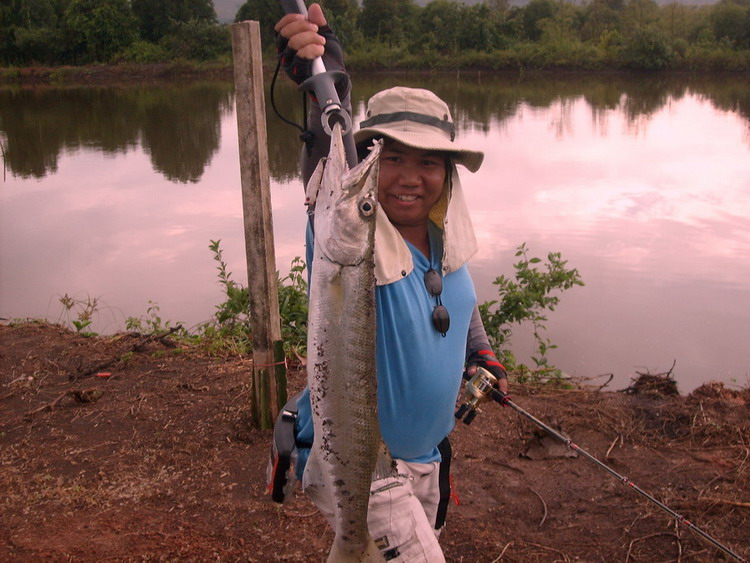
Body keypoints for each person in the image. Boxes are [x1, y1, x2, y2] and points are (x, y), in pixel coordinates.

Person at [274, 4, 508, 561]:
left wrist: (480, 352)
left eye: (429, 162)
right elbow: (326, 164)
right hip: (362, 462)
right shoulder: (346, 235)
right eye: (392, 157)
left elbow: (459, 299)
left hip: (426, 456)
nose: (409, 176)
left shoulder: (443, 238)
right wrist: (322, 88)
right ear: (370, 163)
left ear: (447, 173)